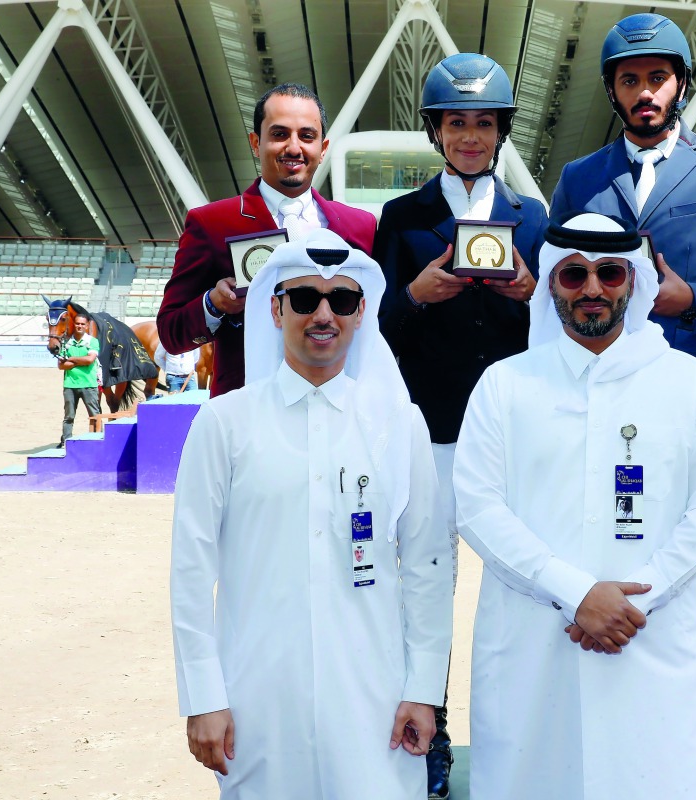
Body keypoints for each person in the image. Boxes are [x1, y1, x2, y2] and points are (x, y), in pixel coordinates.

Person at [453, 213, 696, 799]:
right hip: (537, 643)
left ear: (633, 281)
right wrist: (577, 593)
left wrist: (640, 596)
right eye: (573, 275)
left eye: (609, 273)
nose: (592, 289)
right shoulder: (505, 384)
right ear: (551, 284)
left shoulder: (685, 380)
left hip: (649, 634)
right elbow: (478, 508)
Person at [170, 230, 453, 798]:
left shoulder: (399, 421)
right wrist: (203, 697)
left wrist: (423, 688)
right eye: (304, 299)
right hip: (257, 698)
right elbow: (192, 573)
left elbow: (427, 563)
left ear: (360, 312)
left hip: (375, 700)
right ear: (275, 310)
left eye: (341, 301)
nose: (323, 315)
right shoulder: (224, 423)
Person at [374, 52, 547, 800]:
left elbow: (568, 328)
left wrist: (534, 294)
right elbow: (374, 330)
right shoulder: (403, 219)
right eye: (456, 123)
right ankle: (431, 732)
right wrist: (415, 293)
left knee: (521, 589)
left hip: (513, 435)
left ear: (502, 131)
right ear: (435, 132)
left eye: (483, 123)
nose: (470, 136)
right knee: (428, 589)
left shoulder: (535, 219)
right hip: (434, 427)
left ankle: (520, 735)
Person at [550, 12, 696, 427]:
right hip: (596, 392)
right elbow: (557, 273)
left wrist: (695, 301)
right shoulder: (578, 178)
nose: (645, 92)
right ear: (612, 91)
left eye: (658, 78)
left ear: (681, 83)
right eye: (629, 81)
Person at [157, 82, 377, 398]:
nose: (293, 147)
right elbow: (170, 332)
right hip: (249, 413)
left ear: (323, 148)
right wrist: (214, 304)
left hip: (339, 411)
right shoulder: (212, 223)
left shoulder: (360, 227)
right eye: (279, 134)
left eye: (306, 136)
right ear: (255, 142)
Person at [56, 313, 100, 447]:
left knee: (94, 415)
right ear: (74, 325)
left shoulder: (93, 341)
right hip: (70, 385)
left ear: (87, 326)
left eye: (82, 324)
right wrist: (81, 361)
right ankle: (66, 442)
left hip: (89, 384)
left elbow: (90, 360)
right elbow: (61, 365)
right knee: (68, 416)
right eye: (77, 323)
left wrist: (70, 359)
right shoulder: (66, 342)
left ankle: (97, 440)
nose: (80, 326)